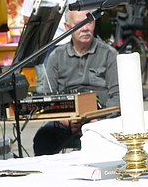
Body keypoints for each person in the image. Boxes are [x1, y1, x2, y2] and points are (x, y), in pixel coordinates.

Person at [33, 10, 120, 155]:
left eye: (89, 23)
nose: (85, 28)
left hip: (101, 119)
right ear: (67, 28)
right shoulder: (56, 56)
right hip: (66, 120)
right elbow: (48, 96)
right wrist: (65, 119)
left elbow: (117, 96)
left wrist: (99, 119)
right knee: (43, 139)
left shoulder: (109, 54)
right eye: (80, 24)